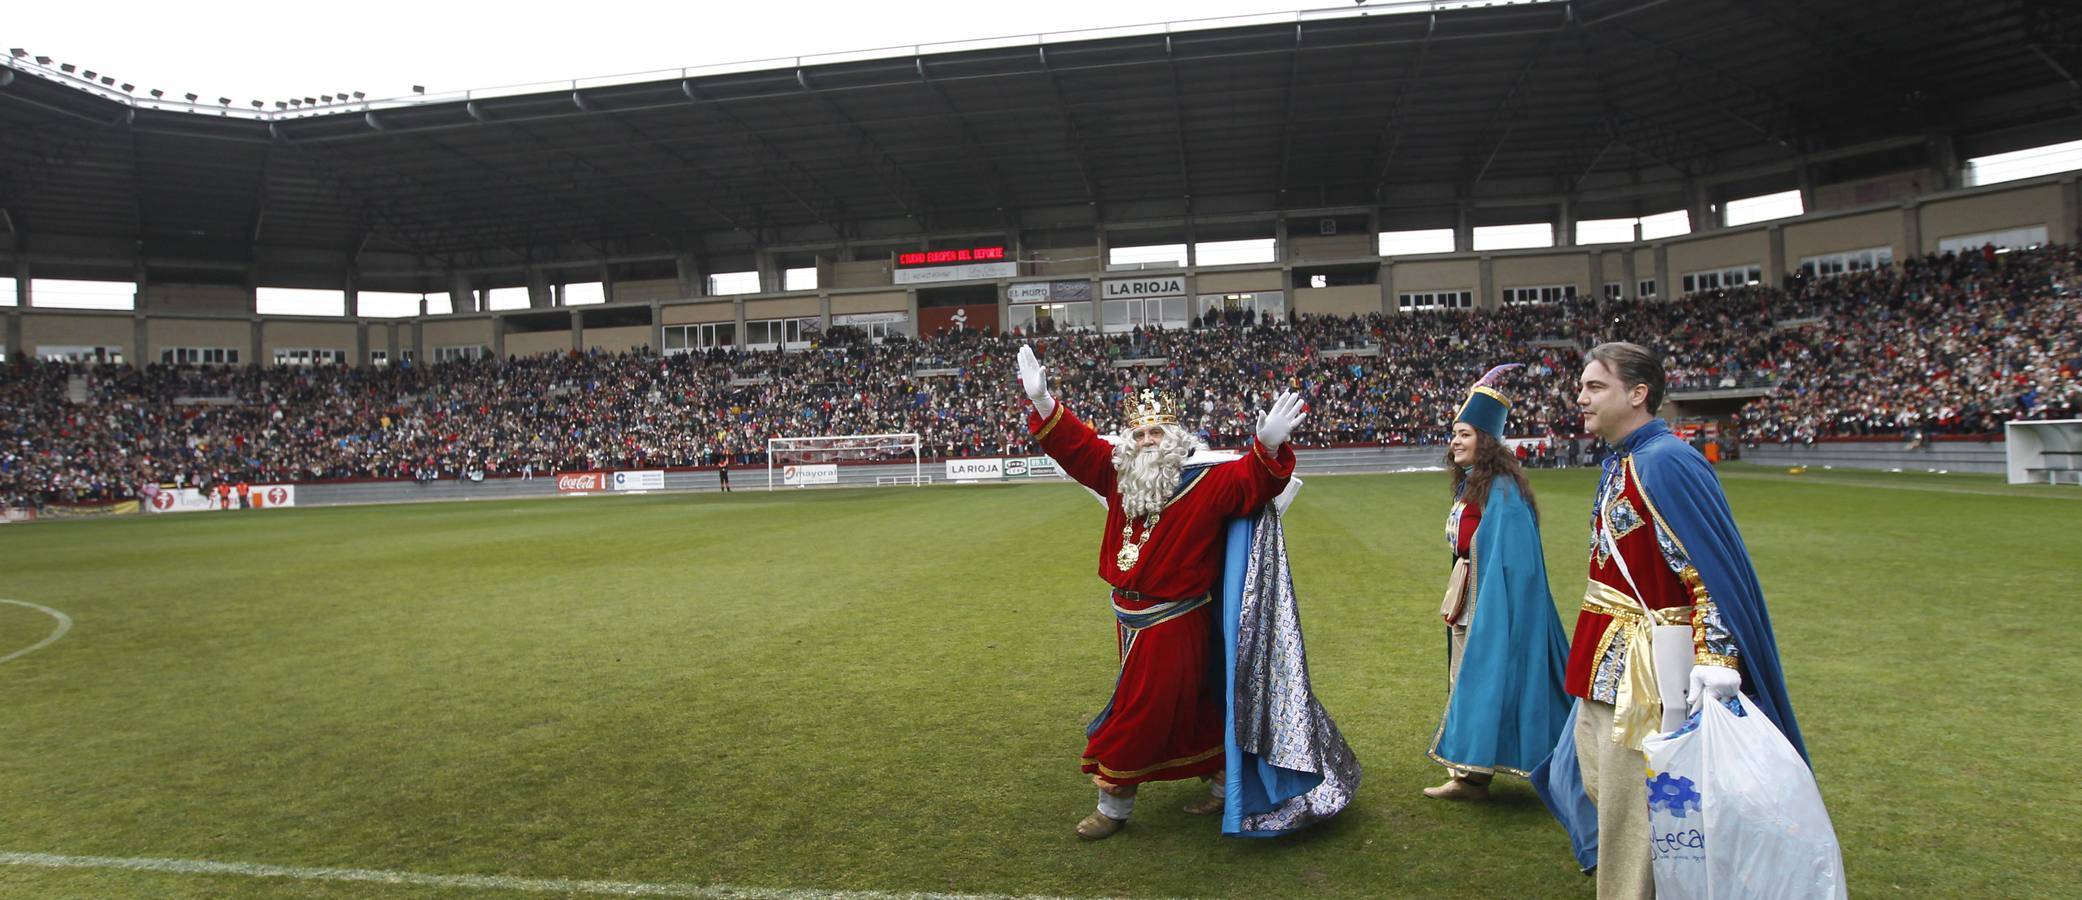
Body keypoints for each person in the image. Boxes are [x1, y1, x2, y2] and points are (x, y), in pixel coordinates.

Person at [1015, 344, 1350, 841]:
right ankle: (1224, 783)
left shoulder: (1206, 483)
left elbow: (1251, 481)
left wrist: (1268, 446)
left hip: (1173, 622)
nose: (1148, 440)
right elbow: (1077, 446)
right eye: (1140, 433)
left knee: (1137, 713)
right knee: (1193, 708)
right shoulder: (1119, 478)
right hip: (1128, 620)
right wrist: (1044, 403)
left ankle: (1114, 805)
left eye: (1157, 432)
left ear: (1175, 438)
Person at [1532, 342, 1809, 896]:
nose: (1579, 397)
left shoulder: (1666, 461)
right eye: (1582, 386)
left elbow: (1705, 575)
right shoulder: (1623, 457)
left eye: (1594, 387)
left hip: (1649, 674)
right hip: (1603, 659)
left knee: (1634, 819)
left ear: (1638, 394)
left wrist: (1716, 661)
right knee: (1595, 788)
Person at [1425, 364, 1572, 802]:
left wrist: (1491, 606)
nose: (1455, 441)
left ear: (1486, 442)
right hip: (1468, 599)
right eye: (1454, 433)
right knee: (1468, 681)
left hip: (1489, 602)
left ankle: (1486, 774)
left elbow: (1515, 563)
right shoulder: (1472, 485)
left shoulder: (1503, 491)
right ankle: (1472, 775)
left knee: (1482, 680)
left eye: (1465, 434)